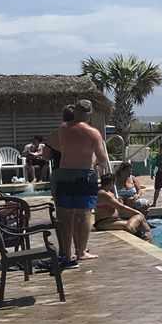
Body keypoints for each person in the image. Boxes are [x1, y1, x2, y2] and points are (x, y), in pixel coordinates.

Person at [48, 100, 111, 267]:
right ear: (89, 114)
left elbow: (52, 145)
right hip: (84, 175)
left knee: (64, 216)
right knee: (83, 215)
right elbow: (103, 159)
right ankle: (81, 252)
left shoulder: (63, 129)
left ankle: (66, 255)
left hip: (64, 175)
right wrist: (93, 160)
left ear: (75, 111)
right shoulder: (93, 133)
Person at [94, 174, 153, 241]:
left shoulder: (109, 192)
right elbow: (120, 207)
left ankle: (147, 237)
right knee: (132, 223)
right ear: (111, 182)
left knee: (139, 219)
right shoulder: (102, 193)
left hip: (113, 220)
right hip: (104, 223)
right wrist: (137, 212)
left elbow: (116, 207)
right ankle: (145, 238)